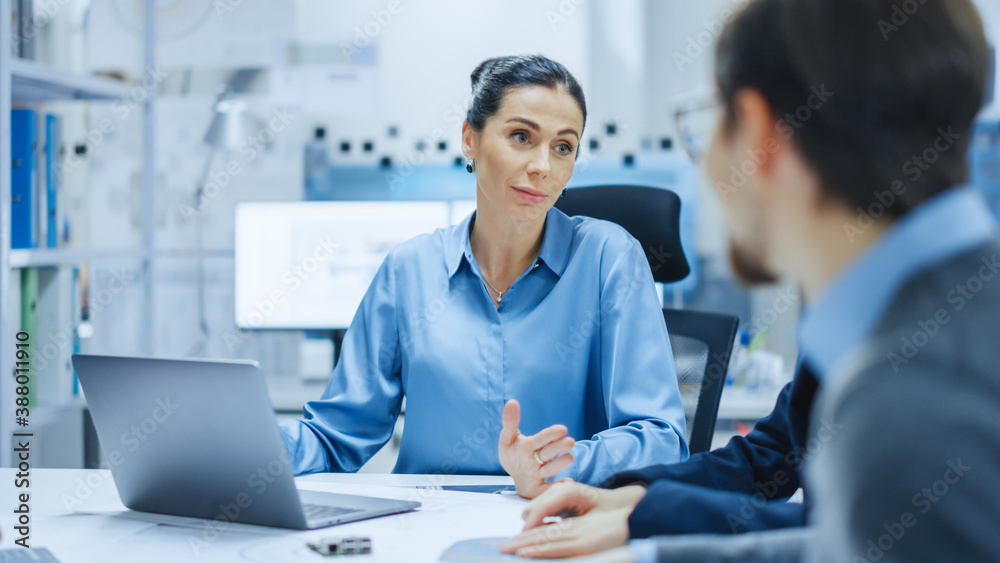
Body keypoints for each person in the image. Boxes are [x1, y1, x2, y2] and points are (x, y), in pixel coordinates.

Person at [499, 0, 998, 559]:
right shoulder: (894, 321)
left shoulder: (914, 394)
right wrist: (640, 506)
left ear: (758, 133)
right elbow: (795, 493)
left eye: (711, 123)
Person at [279, 54, 689, 499]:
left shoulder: (609, 259)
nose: (542, 167)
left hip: (551, 522)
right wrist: (243, 452)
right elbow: (336, 435)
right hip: (421, 525)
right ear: (470, 140)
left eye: (563, 147)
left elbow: (661, 439)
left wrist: (554, 466)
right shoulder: (408, 270)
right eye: (520, 136)